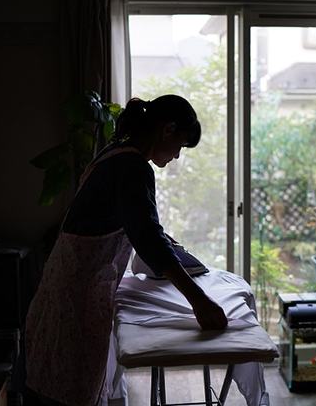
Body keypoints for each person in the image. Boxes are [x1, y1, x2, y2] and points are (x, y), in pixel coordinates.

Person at [23, 94, 228, 406]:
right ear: (168, 129)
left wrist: (162, 238)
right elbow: (147, 237)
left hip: (64, 287)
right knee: (68, 393)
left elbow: (126, 220)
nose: (176, 156)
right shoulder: (132, 166)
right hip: (78, 296)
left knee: (55, 387)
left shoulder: (115, 152)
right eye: (180, 146)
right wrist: (200, 301)